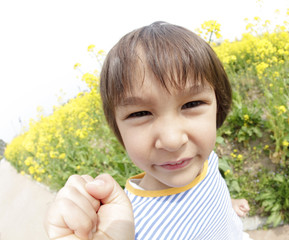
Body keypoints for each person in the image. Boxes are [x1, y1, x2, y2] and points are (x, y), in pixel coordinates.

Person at [45, 21, 251, 239]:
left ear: (218, 106)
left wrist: (229, 205)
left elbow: (210, 192)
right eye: (140, 114)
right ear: (118, 130)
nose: (173, 140)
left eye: (191, 104)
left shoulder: (205, 160)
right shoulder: (125, 224)